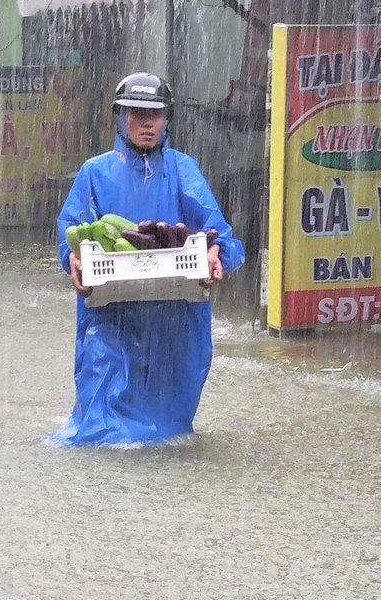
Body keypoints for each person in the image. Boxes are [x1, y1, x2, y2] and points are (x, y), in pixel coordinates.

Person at [51, 72, 245, 446]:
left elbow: (220, 232)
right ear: (119, 116)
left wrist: (217, 254)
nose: (146, 123)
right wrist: (72, 259)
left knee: (166, 433)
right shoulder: (94, 173)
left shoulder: (183, 170)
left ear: (167, 119)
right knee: (99, 422)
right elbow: (70, 232)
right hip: (109, 313)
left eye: (154, 115)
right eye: (136, 113)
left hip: (173, 320)